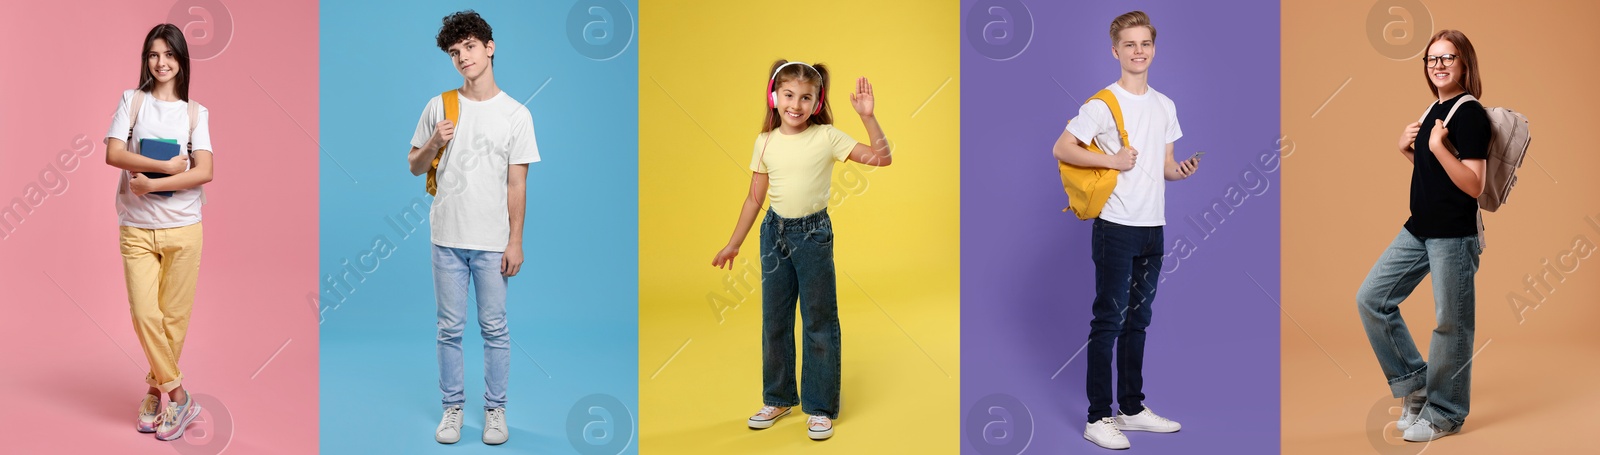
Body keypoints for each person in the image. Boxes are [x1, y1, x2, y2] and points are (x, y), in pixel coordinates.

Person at [710, 59, 892, 441]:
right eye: (789, 95)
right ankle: (777, 397)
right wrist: (733, 243)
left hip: (813, 235)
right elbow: (753, 200)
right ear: (774, 97)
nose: (796, 104)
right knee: (774, 319)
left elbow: (881, 157)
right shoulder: (765, 141)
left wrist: (869, 118)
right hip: (773, 233)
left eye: (806, 97)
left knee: (818, 320)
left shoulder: (827, 137)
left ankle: (820, 406)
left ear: (817, 100)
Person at [1050, 10, 1199, 450]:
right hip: (1116, 226)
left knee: (1139, 320)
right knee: (1109, 321)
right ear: (1115, 51)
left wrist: (1180, 170)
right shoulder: (1102, 103)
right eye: (1129, 44)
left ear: (1154, 49)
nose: (1138, 51)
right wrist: (1111, 161)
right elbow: (1062, 147)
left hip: (1155, 226)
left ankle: (1131, 409)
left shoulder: (1165, 104)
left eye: (1145, 43)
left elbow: (1166, 166)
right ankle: (1098, 418)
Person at [406, 10, 539, 446]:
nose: (462, 57)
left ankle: (495, 411)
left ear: (489, 47)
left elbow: (517, 183)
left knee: (495, 329)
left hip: (491, 242)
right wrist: (434, 142)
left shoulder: (517, 114)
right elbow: (414, 166)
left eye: (469, 46)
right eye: (454, 51)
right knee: (449, 328)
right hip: (445, 237)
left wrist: (515, 241)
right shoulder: (438, 106)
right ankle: (452, 410)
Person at [1356, 29, 1490, 443]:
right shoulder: (1435, 108)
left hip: (1453, 235)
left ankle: (1446, 413)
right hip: (1419, 229)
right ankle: (1416, 386)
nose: (1439, 65)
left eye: (1448, 58)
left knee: (1451, 324)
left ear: (1464, 63)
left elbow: (1474, 185)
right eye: (1432, 59)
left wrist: (1438, 147)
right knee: (1372, 299)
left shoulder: (1470, 114)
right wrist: (1409, 151)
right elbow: (1437, 173)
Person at [104, 23, 214, 442]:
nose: (161, 62)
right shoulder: (132, 101)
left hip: (184, 230)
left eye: (169, 55)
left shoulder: (195, 113)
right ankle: (181, 397)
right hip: (136, 228)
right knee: (144, 314)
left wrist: (156, 181)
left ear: (182, 61)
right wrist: (169, 168)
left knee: (173, 320)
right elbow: (113, 152)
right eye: (153, 54)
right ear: (146, 60)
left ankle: (154, 392)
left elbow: (205, 170)